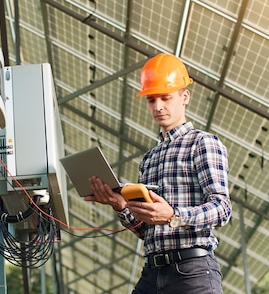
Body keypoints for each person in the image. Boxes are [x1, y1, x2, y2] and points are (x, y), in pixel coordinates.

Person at [85, 53, 232, 294]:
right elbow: (147, 231)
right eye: (152, 100)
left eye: (165, 97)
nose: (158, 106)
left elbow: (222, 209)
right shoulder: (149, 159)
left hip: (192, 271)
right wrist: (119, 205)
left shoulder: (203, 143)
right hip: (152, 273)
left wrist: (173, 215)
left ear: (185, 97)